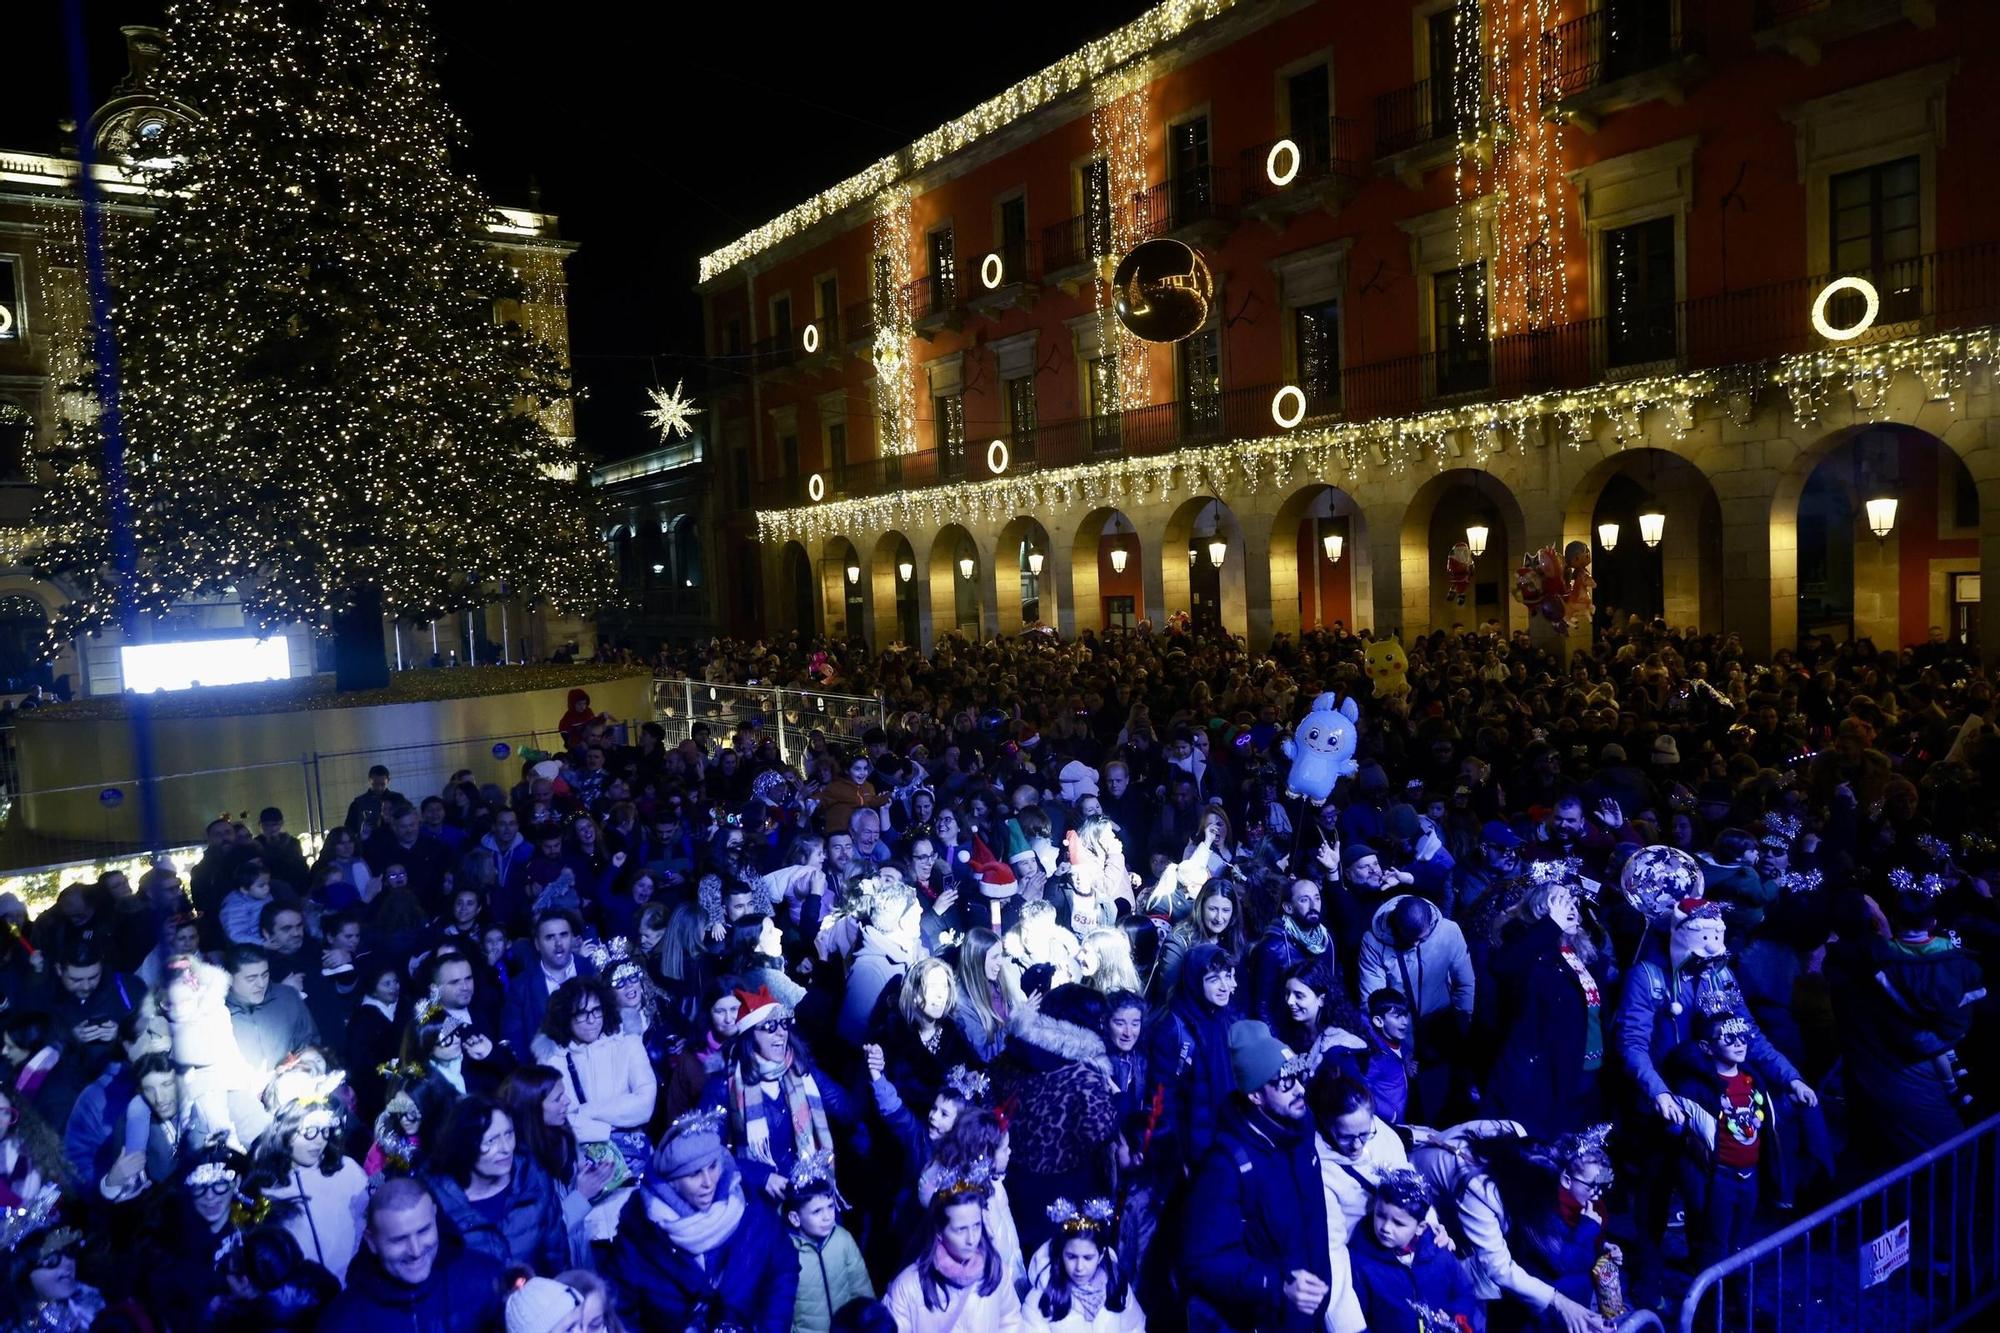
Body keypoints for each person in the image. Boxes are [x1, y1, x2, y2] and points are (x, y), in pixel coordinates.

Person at [1179, 1020, 1361, 1333]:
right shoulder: (1226, 1165)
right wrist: (1277, 1284)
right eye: (1285, 1082)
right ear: (1255, 1096)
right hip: (1266, 1319)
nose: (1301, 1089)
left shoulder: (1302, 1135)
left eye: (1299, 1077)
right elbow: (1201, 1261)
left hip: (1308, 1316)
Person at [602, 1107, 801, 1333]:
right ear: (673, 1181)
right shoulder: (640, 1231)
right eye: (694, 1173)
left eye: (713, 1167)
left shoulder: (752, 1210)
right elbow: (620, 1308)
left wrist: (772, 1328)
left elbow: (783, 1268)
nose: (708, 1182)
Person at [707, 986, 850, 1201]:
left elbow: (849, 1110)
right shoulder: (722, 1086)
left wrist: (875, 1076)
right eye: (770, 1026)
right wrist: (761, 1177)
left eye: (784, 1023)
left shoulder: (803, 1073)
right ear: (750, 1035)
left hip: (809, 1199)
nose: (781, 1032)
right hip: (757, 1202)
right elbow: (706, 1153)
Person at [319, 1177, 508, 1332]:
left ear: (435, 1216)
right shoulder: (343, 1320)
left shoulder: (488, 1279)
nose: (416, 1251)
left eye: (424, 1231)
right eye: (398, 1240)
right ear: (371, 1241)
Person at [422, 1095, 570, 1276]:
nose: (506, 1148)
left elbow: (557, 1256)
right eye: (491, 1141)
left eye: (509, 1134)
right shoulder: (437, 1200)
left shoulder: (533, 1180)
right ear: (463, 1145)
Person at [884, 1166, 1024, 1333]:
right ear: (939, 1232)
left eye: (976, 1226)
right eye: (961, 1229)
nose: (972, 1239)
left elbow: (1011, 1321)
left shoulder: (994, 1270)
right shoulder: (908, 1287)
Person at [250, 1092, 370, 1284]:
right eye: (310, 1131)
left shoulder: (347, 1170)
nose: (319, 1140)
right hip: (303, 1298)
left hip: (353, 1287)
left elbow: (367, 1221)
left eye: (324, 1131)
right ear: (285, 1133)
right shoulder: (266, 1187)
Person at [1344, 1169, 1481, 1333]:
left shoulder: (1439, 1253)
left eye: (1398, 1223)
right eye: (1380, 1215)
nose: (1386, 1228)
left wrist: (1454, 1315)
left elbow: (1465, 1292)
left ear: (1420, 1227)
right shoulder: (1361, 1262)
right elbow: (1358, 1319)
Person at [1023, 1197, 1144, 1332]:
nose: (1079, 1267)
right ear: (1060, 1254)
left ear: (1101, 1255)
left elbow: (1135, 1327)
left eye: (1088, 1258)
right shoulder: (1043, 1297)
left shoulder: (1116, 1287)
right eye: (1071, 1257)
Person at [785, 1151, 874, 1333]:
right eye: (817, 1211)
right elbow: (783, 1311)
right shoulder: (785, 1253)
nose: (827, 1217)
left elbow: (861, 1289)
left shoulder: (843, 1240)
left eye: (830, 1207)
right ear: (795, 1218)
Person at [502, 909, 600, 1059]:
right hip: (548, 1073)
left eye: (564, 935)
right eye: (550, 937)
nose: (559, 943)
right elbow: (513, 1041)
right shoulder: (521, 986)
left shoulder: (593, 971)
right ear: (537, 944)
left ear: (573, 937)